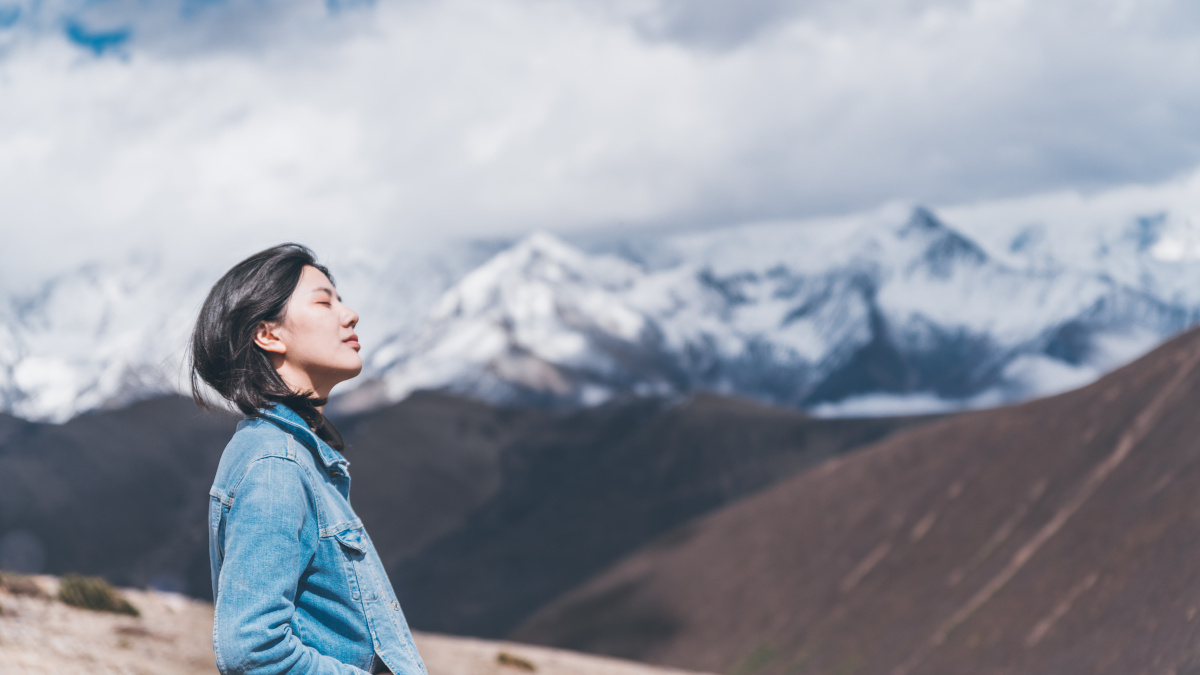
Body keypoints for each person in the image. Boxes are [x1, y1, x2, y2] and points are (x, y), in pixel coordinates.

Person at [191, 243, 426, 675]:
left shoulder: (292, 455)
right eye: (324, 301)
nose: (350, 314)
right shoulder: (275, 465)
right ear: (269, 334)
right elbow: (253, 651)